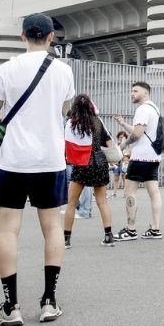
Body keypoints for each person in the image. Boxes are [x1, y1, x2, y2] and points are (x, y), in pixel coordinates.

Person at [0, 13, 75, 326]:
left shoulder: (6, 70)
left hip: (13, 160)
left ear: (22, 36)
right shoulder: (64, 71)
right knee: (52, 227)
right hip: (50, 160)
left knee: (9, 229)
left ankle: (11, 307)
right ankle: (49, 301)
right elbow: (65, 110)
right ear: (51, 38)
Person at [63, 95, 116, 248]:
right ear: (91, 106)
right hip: (99, 161)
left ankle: (66, 240)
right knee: (102, 202)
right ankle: (108, 237)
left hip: (81, 162)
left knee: (71, 203)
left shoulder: (72, 123)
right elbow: (109, 143)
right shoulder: (98, 122)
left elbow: (66, 145)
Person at [112, 81, 163, 241]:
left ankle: (131, 229)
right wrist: (123, 124)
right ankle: (155, 229)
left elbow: (137, 134)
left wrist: (123, 144)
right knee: (154, 193)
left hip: (140, 157)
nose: (132, 94)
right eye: (131, 91)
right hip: (153, 156)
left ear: (145, 93)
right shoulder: (154, 108)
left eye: (135, 91)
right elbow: (140, 131)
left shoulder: (142, 109)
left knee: (129, 192)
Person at [108, 131, 128, 197]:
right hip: (117, 163)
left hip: (124, 162)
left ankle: (125, 193)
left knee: (124, 178)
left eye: (122, 137)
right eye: (119, 137)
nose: (121, 138)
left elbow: (128, 153)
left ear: (125, 137)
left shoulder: (127, 144)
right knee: (116, 178)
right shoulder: (116, 144)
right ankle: (114, 193)